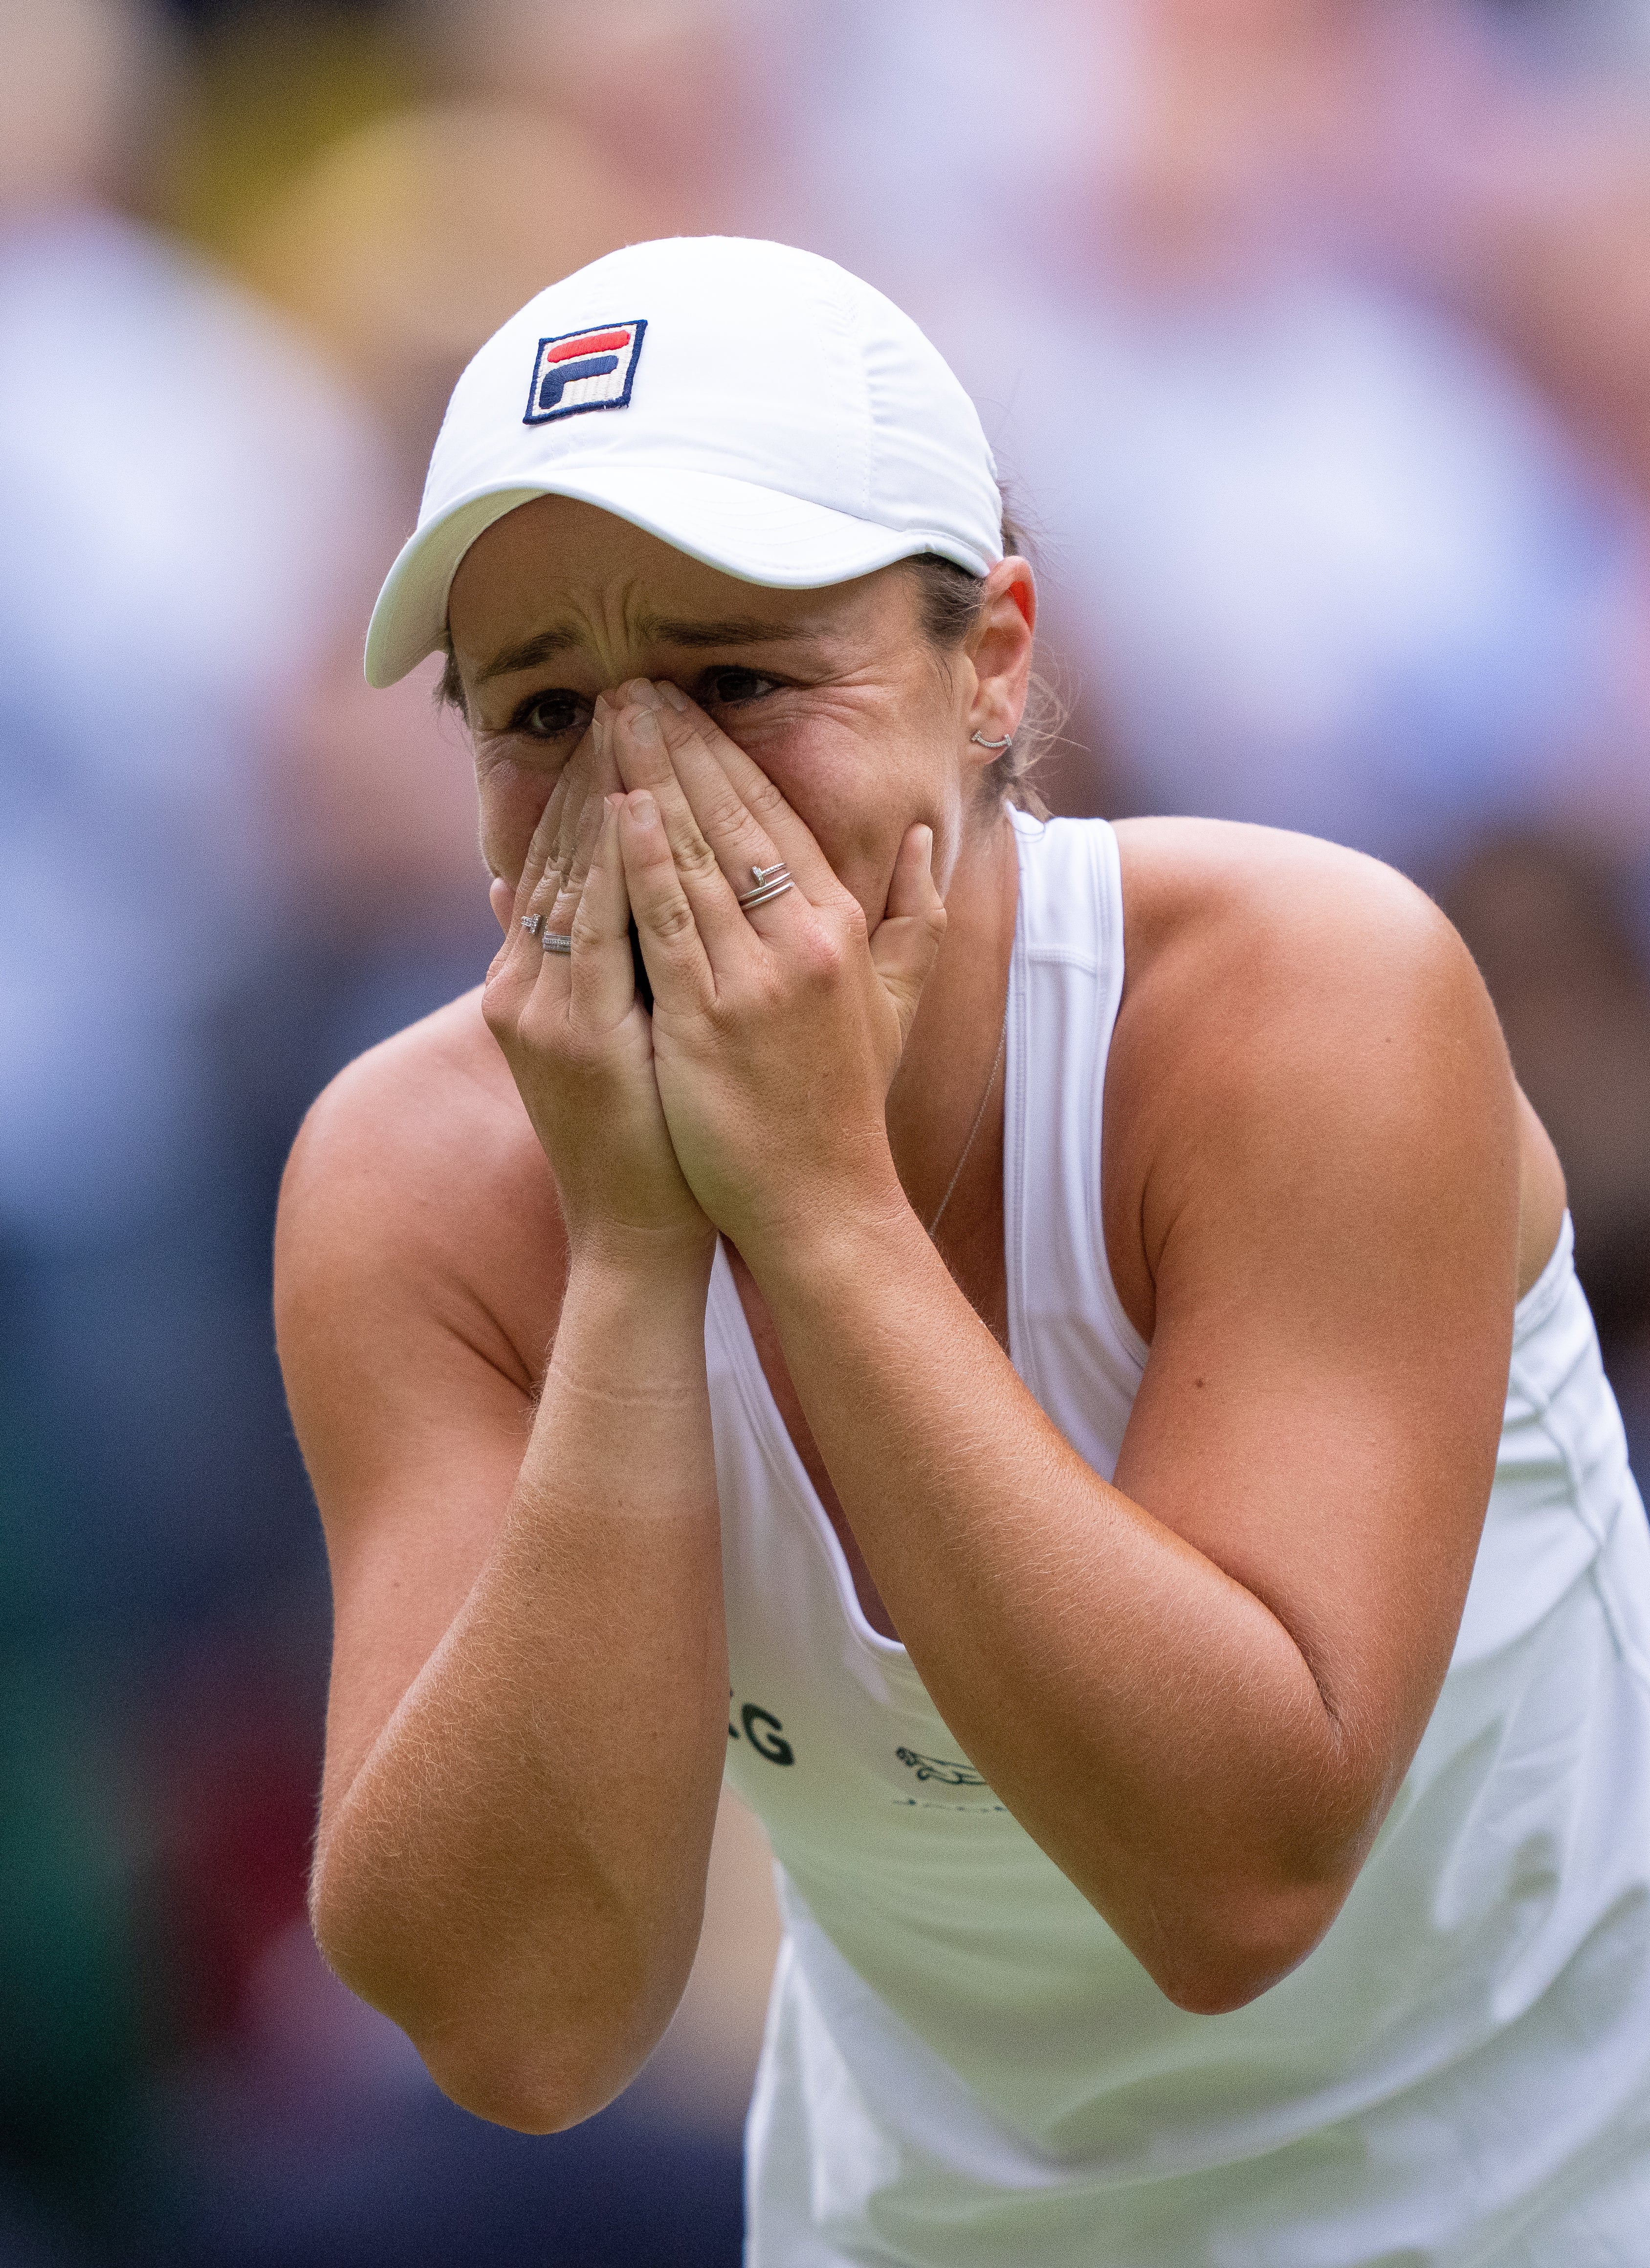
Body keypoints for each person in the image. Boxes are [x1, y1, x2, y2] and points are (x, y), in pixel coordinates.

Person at [275, 237, 1650, 2264]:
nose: (649, 797)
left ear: (990, 656)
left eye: (739, 678)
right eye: (544, 709)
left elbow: (1232, 1885)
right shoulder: (418, 1178)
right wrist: (646, 1253)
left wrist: (812, 1208)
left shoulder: (1304, 1000)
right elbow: (521, 2021)